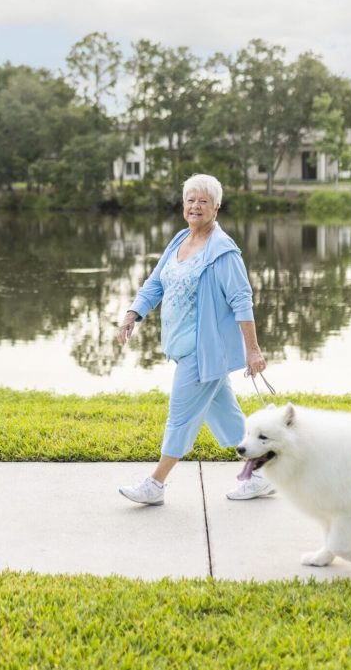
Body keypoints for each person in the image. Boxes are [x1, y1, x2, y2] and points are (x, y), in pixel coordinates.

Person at [117, 173, 275, 505]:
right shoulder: (179, 240)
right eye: (190, 200)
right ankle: (259, 475)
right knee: (228, 419)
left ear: (216, 207)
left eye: (203, 201)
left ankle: (155, 484)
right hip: (183, 347)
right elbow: (156, 282)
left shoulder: (223, 251)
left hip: (205, 354)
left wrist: (253, 350)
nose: (195, 206)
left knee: (180, 416)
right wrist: (134, 313)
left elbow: (241, 300)